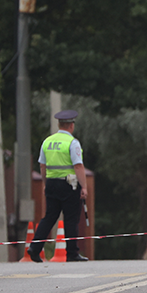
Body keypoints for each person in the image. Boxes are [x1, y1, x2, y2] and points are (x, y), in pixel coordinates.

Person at [27, 109, 90, 262]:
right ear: (71, 126)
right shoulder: (72, 143)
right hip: (69, 185)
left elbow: (42, 166)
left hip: (52, 184)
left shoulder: (47, 141)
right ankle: (72, 254)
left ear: (59, 124)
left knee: (49, 217)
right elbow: (78, 166)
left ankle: (34, 249)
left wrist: (45, 183)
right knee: (71, 219)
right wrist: (84, 187)